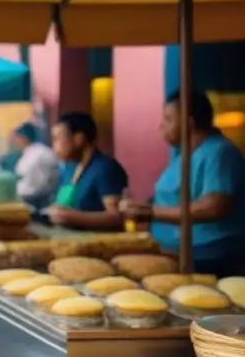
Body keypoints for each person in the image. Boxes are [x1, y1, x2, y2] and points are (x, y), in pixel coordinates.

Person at [121, 91, 245, 276]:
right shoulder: (184, 155)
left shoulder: (219, 152)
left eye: (168, 119)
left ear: (189, 122)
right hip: (173, 251)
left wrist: (150, 212)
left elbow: (214, 206)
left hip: (208, 256)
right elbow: (170, 199)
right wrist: (140, 208)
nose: (161, 126)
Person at [47, 112, 127, 230]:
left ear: (78, 139)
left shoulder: (105, 168)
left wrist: (72, 217)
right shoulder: (70, 168)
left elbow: (116, 217)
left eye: (57, 139)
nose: (54, 146)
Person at [12, 122, 59, 210]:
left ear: (23, 138)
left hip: (37, 202)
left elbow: (38, 187)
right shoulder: (32, 152)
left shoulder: (37, 155)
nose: (13, 141)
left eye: (16, 137)